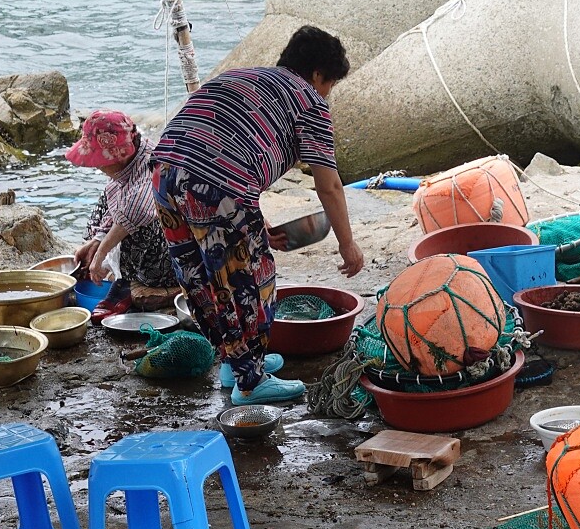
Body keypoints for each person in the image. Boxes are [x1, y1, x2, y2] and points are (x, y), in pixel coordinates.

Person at [150, 25, 365, 406]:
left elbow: (229, 142)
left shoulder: (241, 76)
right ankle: (251, 383)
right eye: (330, 83)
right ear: (318, 74)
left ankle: (237, 361)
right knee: (251, 278)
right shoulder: (309, 100)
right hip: (218, 184)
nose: (327, 92)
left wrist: (255, 217)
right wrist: (348, 245)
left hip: (165, 172)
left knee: (201, 274)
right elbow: (328, 184)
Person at [67, 110, 180, 324]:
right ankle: (108, 268)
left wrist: (101, 254)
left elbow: (137, 213)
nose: (97, 166)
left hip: (173, 262)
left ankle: (126, 284)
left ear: (120, 154)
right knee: (107, 196)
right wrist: (96, 242)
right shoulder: (130, 163)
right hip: (147, 250)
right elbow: (117, 209)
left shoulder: (151, 163)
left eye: (99, 160)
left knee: (142, 223)